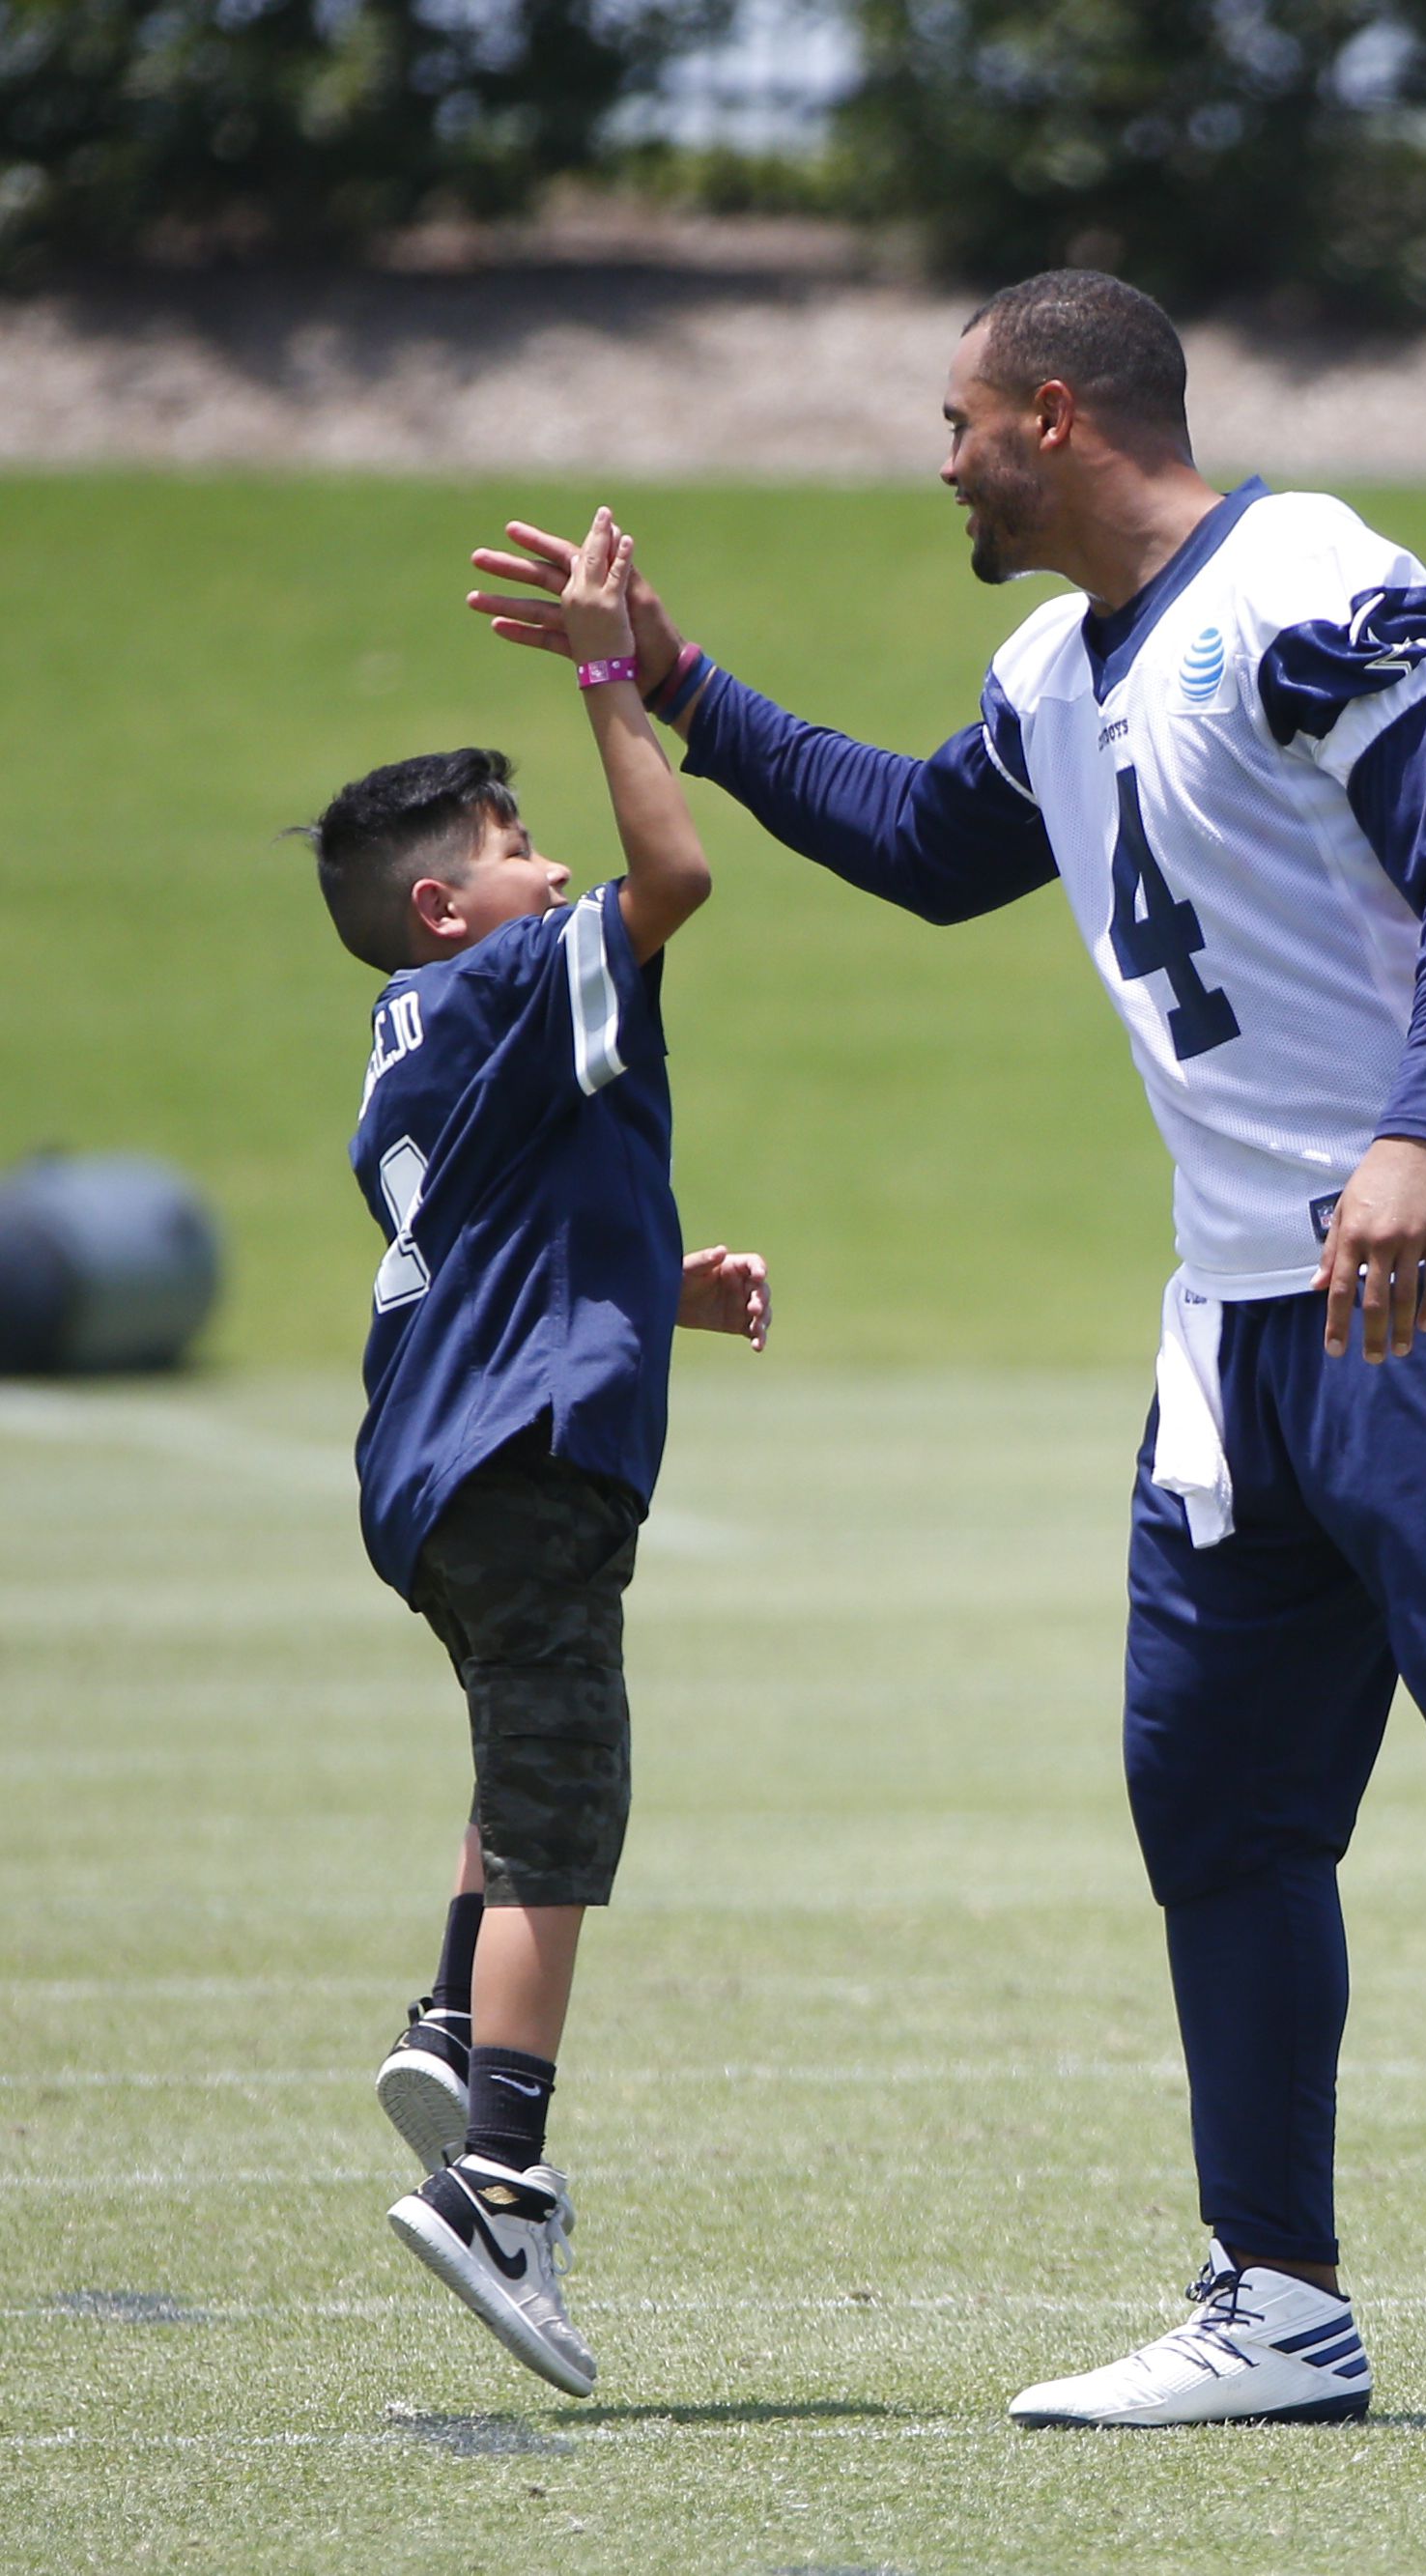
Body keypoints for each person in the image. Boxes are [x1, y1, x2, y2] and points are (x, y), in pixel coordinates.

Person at [462, 277, 1426, 2446]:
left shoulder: (1302, 580)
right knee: (1218, 1807)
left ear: (1052, 416)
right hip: (1231, 1325)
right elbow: (912, 842)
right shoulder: (1050, 669)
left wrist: (1414, 1135)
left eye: (960, 419)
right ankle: (1276, 2297)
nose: (941, 456)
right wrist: (663, 678)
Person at [298, 508, 770, 2400]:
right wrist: (605, 673)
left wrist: (655, 1282)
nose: (546, 854)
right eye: (509, 846)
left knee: (518, 1727)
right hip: (523, 1455)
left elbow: (496, 1236)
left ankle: (442, 2000)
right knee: (569, 1783)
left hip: (426, 1459)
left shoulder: (404, 1028)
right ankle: (498, 2165)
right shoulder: (517, 976)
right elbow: (678, 870)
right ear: (448, 904)